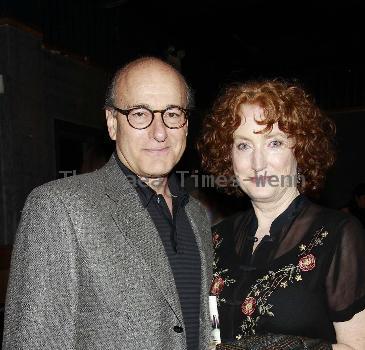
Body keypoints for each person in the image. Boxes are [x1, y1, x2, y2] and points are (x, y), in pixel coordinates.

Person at [3, 57, 212, 350]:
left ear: (186, 125)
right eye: (140, 114)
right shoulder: (57, 208)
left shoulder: (198, 215)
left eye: (172, 113)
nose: (160, 131)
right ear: (113, 123)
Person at [198, 80, 365, 349]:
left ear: (300, 149)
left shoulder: (338, 234)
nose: (258, 162)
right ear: (228, 156)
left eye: (273, 143)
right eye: (243, 145)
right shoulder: (216, 237)